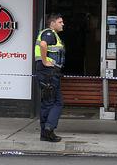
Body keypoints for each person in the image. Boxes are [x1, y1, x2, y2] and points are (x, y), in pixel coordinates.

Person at [34, 13, 65, 142]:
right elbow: (43, 45)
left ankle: (46, 133)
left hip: (48, 73)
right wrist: (45, 61)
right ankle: (48, 128)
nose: (62, 24)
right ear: (52, 23)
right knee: (56, 102)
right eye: (60, 22)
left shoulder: (53, 34)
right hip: (49, 73)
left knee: (47, 103)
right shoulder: (49, 33)